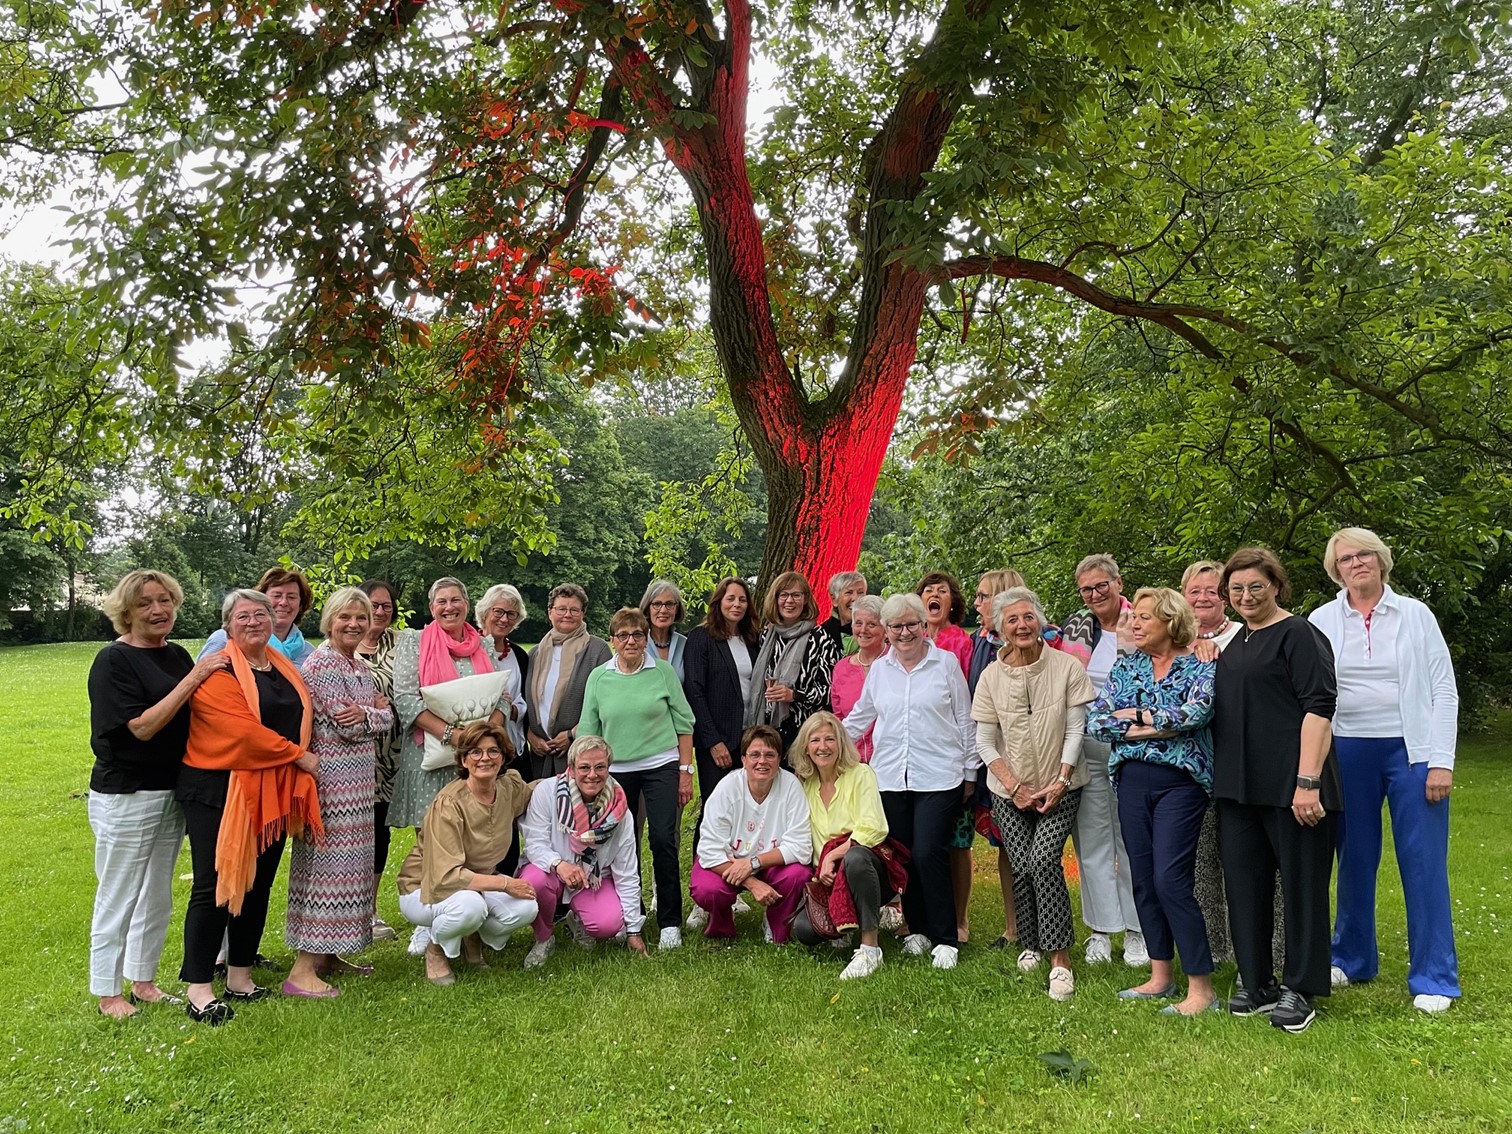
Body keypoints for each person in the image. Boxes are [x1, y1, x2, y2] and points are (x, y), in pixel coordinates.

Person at [1309, 527, 1460, 1013]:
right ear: (1336, 570)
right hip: (1346, 750)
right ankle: (1352, 958)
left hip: (1411, 752)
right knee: (1353, 857)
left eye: (1364, 555)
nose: (1356, 563)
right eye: (1346, 558)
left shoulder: (1415, 615)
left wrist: (1441, 760)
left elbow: (1443, 690)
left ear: (1381, 560)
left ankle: (1434, 976)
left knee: (1423, 861)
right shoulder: (1322, 619)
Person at [87, 569, 229, 1018]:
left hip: (173, 790)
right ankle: (107, 993)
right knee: (119, 892)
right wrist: (195, 677)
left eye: (165, 600)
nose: (158, 609)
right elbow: (142, 727)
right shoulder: (114, 660)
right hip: (127, 793)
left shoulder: (176, 655)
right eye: (145, 602)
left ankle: (143, 981)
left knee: (157, 894)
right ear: (126, 612)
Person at [178, 589, 324, 1024]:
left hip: (271, 788)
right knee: (215, 885)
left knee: (258, 885)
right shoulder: (219, 668)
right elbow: (241, 732)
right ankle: (199, 988)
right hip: (220, 788)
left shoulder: (280, 665)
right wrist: (298, 756)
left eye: (261, 614)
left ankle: (240, 976)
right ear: (227, 625)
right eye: (243, 616)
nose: (254, 622)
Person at [1214, 547, 1341, 1033]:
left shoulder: (1299, 634)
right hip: (1239, 788)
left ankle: (1300, 989)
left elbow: (1319, 707)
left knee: (1303, 888)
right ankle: (1256, 983)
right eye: (1237, 589)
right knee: (1245, 887)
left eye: (1256, 586)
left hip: (1295, 785)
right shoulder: (1235, 642)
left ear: (1276, 587)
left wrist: (1308, 781)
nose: (1246, 596)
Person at [1087, 588, 1218, 1016]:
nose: (1135, 624)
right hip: (1130, 781)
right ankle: (1161, 976)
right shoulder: (1127, 667)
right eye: (1135, 618)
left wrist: (1138, 716)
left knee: (1171, 880)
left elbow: (1196, 713)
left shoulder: (1198, 663)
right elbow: (1098, 722)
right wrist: (1161, 725)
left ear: (1171, 621)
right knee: (1142, 878)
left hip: (1180, 783)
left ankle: (1201, 988)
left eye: (1145, 617)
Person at [971, 586, 1097, 1001]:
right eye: (1012, 619)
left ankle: (1060, 959)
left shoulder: (1066, 667)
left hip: (1062, 785)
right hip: (1009, 790)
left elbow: (1076, 729)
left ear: (1040, 621)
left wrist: (1060, 781)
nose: (1022, 625)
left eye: (1028, 617)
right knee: (1022, 863)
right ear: (1000, 628)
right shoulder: (991, 677)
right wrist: (1014, 786)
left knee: (1043, 859)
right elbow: (985, 742)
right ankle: (1030, 942)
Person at [842, 593, 976, 970]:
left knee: (930, 852)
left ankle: (945, 938)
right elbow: (861, 716)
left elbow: (965, 719)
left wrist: (970, 772)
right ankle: (916, 930)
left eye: (911, 624)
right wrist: (825, 742)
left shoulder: (945, 664)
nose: (904, 633)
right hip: (890, 777)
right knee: (904, 857)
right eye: (896, 626)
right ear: (886, 630)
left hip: (939, 775)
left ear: (923, 625)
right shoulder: (880, 670)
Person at [284, 588, 394, 998]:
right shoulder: (324, 664)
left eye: (361, 617)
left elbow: (385, 717)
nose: (354, 624)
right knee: (328, 873)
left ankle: (328, 956)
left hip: (359, 786)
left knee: (351, 871)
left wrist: (372, 713)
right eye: (345, 616)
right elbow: (348, 726)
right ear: (329, 620)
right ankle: (302, 970)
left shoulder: (359, 666)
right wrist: (375, 712)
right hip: (332, 786)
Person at [577, 607, 696, 949]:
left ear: (646, 639)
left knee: (663, 839)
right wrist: (587, 776)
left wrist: (685, 772)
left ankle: (669, 922)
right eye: (623, 635)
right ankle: (631, 916)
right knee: (620, 843)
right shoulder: (599, 677)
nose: (631, 641)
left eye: (638, 635)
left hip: (661, 765)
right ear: (612, 640)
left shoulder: (662, 672)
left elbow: (684, 724)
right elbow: (588, 731)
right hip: (615, 772)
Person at [396, 721, 539, 986]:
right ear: (463, 760)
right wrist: (505, 883)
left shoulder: (508, 787)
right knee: (470, 907)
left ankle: (471, 937)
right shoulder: (448, 804)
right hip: (425, 888)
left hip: (476, 885)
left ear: (503, 757)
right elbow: (446, 876)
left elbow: (534, 792)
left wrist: (569, 779)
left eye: (493, 751)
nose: (485, 758)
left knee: (526, 907)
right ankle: (436, 948)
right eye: (475, 752)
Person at [1060, 553, 1145, 966]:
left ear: (1118, 583)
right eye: (1086, 589)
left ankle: (1137, 930)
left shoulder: (1143, 621)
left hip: (1133, 744)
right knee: (1092, 840)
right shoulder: (1075, 629)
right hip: (1086, 743)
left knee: (1131, 838)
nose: (1094, 595)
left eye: (1101, 585)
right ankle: (1099, 929)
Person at [388, 577, 515, 832]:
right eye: (441, 602)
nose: (449, 607)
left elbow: (502, 697)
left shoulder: (484, 644)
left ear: (467, 604)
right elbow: (405, 700)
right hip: (431, 759)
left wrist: (484, 736)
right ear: (432, 608)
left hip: (478, 758)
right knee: (434, 838)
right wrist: (454, 736)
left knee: (477, 836)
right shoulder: (414, 642)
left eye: (455, 600)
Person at [789, 713, 902, 980]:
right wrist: (822, 869)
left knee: (855, 857)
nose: (822, 747)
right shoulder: (805, 785)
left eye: (830, 739)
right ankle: (845, 926)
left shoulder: (861, 773)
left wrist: (833, 856)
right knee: (805, 931)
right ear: (806, 748)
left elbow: (874, 828)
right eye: (815, 740)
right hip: (829, 878)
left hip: (870, 870)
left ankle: (870, 949)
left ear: (841, 743)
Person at [518, 735, 648, 966]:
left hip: (593, 877)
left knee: (608, 924)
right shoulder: (547, 792)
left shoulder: (620, 811)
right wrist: (559, 864)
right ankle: (544, 938)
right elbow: (535, 843)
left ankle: (579, 920)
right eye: (584, 767)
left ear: (609, 768)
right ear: (571, 768)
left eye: (600, 767)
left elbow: (627, 871)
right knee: (534, 882)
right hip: (550, 870)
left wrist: (633, 931)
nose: (592, 775)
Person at [690, 725, 814, 943]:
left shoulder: (791, 787)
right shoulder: (727, 788)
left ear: (779, 759)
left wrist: (753, 863)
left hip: (770, 864)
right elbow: (709, 850)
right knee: (707, 888)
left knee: (798, 875)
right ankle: (722, 925)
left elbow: (801, 846)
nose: (762, 761)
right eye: (755, 754)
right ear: (743, 759)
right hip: (731, 864)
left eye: (770, 755)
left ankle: (776, 925)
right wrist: (751, 882)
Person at [966, 569, 1025, 952]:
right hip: (991, 759)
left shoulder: (1042, 641)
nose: (976, 603)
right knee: (1005, 844)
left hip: (1032, 758)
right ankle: (1013, 927)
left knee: (1034, 846)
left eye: (983, 596)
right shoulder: (978, 644)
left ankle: (1042, 925)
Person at [683, 577, 761, 833]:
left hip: (749, 738)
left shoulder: (752, 639)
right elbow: (694, 692)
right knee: (715, 809)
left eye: (742, 600)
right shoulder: (701, 637)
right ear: (718, 602)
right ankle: (704, 858)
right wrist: (713, 741)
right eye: (731, 599)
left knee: (747, 809)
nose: (737, 604)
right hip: (718, 741)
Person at [523, 583, 612, 779]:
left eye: (574, 610)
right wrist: (530, 735)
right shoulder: (535, 654)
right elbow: (525, 702)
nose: (567, 614)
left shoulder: (597, 651)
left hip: (582, 755)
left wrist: (573, 734)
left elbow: (607, 705)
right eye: (561, 609)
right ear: (550, 612)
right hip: (541, 756)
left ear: (583, 613)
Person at [747, 571, 840, 750]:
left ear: (805, 599)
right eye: (784, 595)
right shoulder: (767, 636)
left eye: (796, 595)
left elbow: (831, 691)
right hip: (768, 729)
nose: (789, 601)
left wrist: (794, 695)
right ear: (775, 599)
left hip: (805, 731)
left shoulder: (820, 638)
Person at [357, 578, 403, 941]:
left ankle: (369, 911)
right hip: (355, 757)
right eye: (374, 605)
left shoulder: (402, 644)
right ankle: (349, 912)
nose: (381, 611)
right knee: (356, 833)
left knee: (380, 832)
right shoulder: (340, 645)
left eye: (387, 605)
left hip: (396, 756)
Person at [198, 566, 315, 664]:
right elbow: (198, 679)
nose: (283, 602)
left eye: (291, 597)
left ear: (301, 605)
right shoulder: (224, 639)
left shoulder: (310, 654)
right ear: (261, 601)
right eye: (276, 595)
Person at [475, 583, 531, 759]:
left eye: (511, 614)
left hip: (513, 748)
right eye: (498, 612)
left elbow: (527, 701)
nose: (504, 619)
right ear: (485, 613)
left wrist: (512, 710)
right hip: (478, 747)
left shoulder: (520, 656)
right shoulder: (469, 650)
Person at [829, 595, 885, 763]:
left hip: (890, 761)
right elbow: (839, 717)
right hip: (853, 762)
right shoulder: (841, 668)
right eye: (858, 623)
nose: (863, 630)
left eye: (872, 624)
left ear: (885, 627)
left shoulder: (895, 661)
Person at [917, 570, 973, 676]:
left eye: (942, 591)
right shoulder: (916, 638)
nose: (935, 594)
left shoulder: (962, 641)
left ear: (953, 603)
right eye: (929, 590)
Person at [641, 579, 688, 681]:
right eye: (657, 604)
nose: (663, 610)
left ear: (677, 609)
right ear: (648, 608)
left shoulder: (685, 644)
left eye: (669, 604)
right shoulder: (637, 643)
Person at [820, 570, 868, 655]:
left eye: (860, 593)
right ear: (834, 599)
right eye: (849, 592)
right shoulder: (819, 636)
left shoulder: (877, 634)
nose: (855, 598)